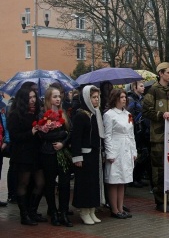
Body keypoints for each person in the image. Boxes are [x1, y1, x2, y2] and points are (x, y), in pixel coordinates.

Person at [142, 62, 169, 213]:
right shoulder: (153, 91)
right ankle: (160, 201)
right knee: (158, 170)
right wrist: (161, 115)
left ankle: (168, 198)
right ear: (160, 73)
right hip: (158, 137)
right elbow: (146, 110)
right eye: (168, 72)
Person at [8, 86, 46, 225]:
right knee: (23, 183)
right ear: (23, 99)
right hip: (22, 154)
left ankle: (32, 210)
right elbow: (14, 136)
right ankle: (24, 215)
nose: (33, 100)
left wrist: (42, 130)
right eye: (30, 98)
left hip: (36, 153)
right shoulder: (15, 114)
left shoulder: (36, 113)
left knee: (40, 182)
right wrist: (31, 132)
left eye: (34, 97)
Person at [71, 85, 105, 225]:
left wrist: (101, 151)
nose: (96, 100)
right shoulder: (80, 115)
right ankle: (84, 211)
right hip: (84, 155)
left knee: (94, 183)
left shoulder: (96, 113)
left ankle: (92, 209)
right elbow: (76, 138)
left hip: (95, 154)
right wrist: (77, 157)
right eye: (93, 97)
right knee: (85, 183)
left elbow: (99, 136)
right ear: (86, 98)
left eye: (98, 97)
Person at [40, 87, 72, 227]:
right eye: (54, 96)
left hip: (62, 152)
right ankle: (53, 212)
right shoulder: (42, 114)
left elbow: (70, 132)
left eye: (59, 96)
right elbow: (43, 135)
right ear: (48, 99)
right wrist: (62, 135)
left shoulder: (63, 113)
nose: (58, 99)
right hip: (48, 153)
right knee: (50, 184)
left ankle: (64, 212)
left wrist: (63, 143)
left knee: (65, 184)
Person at [103, 88, 137, 219]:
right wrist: (110, 153)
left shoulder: (128, 114)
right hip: (116, 149)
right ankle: (114, 209)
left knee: (123, 180)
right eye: (121, 97)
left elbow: (131, 134)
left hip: (126, 149)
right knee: (114, 180)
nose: (124, 99)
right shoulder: (109, 114)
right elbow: (108, 135)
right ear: (115, 99)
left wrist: (134, 151)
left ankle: (121, 208)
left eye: (125, 97)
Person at [127, 81, 149, 188]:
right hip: (136, 131)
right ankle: (133, 178)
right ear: (135, 87)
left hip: (143, 130)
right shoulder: (131, 99)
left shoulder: (142, 99)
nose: (143, 88)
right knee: (137, 154)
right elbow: (129, 115)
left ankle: (138, 176)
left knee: (144, 154)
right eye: (141, 86)